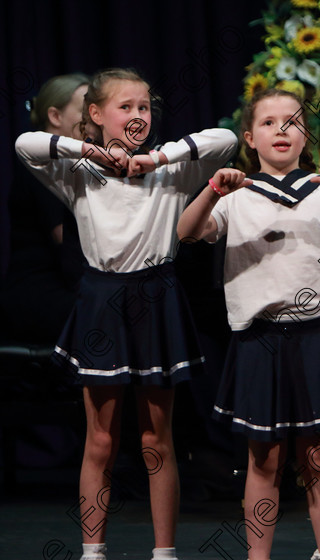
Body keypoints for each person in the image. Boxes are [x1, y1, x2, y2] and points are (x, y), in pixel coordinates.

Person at [15, 67, 238, 560]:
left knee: (157, 438)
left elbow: (224, 139)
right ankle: (92, 550)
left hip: (157, 298)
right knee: (101, 438)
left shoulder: (172, 170)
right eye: (125, 107)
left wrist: (155, 157)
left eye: (144, 107)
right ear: (94, 115)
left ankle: (164, 551)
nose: (137, 115)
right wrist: (89, 150)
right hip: (102, 301)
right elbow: (26, 144)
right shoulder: (78, 173)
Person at [177, 87, 320, 560]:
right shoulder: (236, 196)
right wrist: (212, 190)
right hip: (259, 340)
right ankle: (258, 555)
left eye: (292, 121)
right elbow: (186, 234)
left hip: (316, 336)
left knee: (318, 455)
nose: (281, 130)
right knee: (264, 457)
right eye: (269, 122)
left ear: (306, 134)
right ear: (250, 137)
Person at [1, 73, 88, 344]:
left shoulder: (75, 164)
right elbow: (66, 239)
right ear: (55, 116)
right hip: (39, 292)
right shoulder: (42, 163)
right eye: (85, 109)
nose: (94, 118)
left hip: (65, 284)